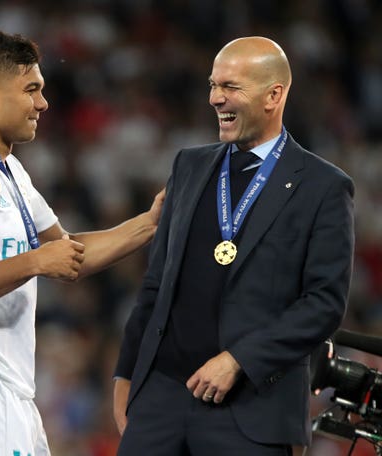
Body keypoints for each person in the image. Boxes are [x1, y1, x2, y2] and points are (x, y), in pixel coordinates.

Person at [0, 31, 164, 456]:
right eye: (31, 90)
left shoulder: (9, 169)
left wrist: (151, 223)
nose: (43, 103)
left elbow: (69, 253)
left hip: (16, 391)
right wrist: (34, 262)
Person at [113, 36, 355, 456]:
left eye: (230, 87)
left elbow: (323, 304)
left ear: (273, 95)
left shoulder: (324, 187)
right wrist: (125, 379)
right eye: (212, 85)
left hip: (251, 411)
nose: (214, 98)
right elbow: (156, 285)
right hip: (161, 403)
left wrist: (239, 359)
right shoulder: (188, 165)